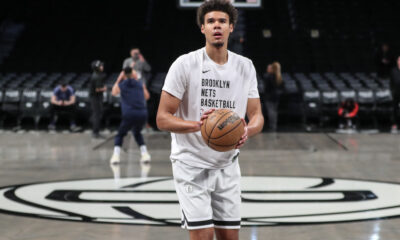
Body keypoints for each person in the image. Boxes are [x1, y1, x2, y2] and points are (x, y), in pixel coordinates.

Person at [156, 1, 264, 239]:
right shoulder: (184, 65)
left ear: (231, 27)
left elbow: (257, 116)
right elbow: (162, 119)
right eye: (211, 21)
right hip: (191, 166)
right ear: (202, 28)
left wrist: (246, 130)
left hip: (227, 165)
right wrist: (199, 125)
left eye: (222, 21)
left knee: (229, 237)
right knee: (203, 235)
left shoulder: (245, 67)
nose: (217, 26)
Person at [109, 67, 151, 164]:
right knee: (137, 133)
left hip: (129, 114)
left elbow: (114, 92)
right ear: (133, 74)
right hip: (142, 114)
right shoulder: (140, 84)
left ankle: (116, 156)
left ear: (124, 74)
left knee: (120, 134)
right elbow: (147, 96)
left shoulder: (122, 84)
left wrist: (120, 77)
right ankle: (145, 154)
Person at [263, 62, 283, 132]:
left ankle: (272, 127)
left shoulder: (268, 76)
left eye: (269, 68)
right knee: (274, 112)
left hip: (269, 97)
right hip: (276, 97)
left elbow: (266, 88)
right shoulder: (278, 76)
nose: (267, 69)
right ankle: (274, 126)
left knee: (271, 112)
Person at [89, 60, 107, 139]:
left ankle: (95, 131)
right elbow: (97, 89)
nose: (102, 67)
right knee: (97, 115)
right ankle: (95, 132)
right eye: (100, 66)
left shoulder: (97, 75)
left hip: (95, 97)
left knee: (97, 114)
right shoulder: (97, 77)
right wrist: (104, 89)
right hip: (96, 98)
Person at [390, 56, 400, 133]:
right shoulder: (393, 71)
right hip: (396, 93)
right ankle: (394, 124)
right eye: (399, 60)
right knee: (395, 109)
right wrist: (392, 92)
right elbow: (391, 83)